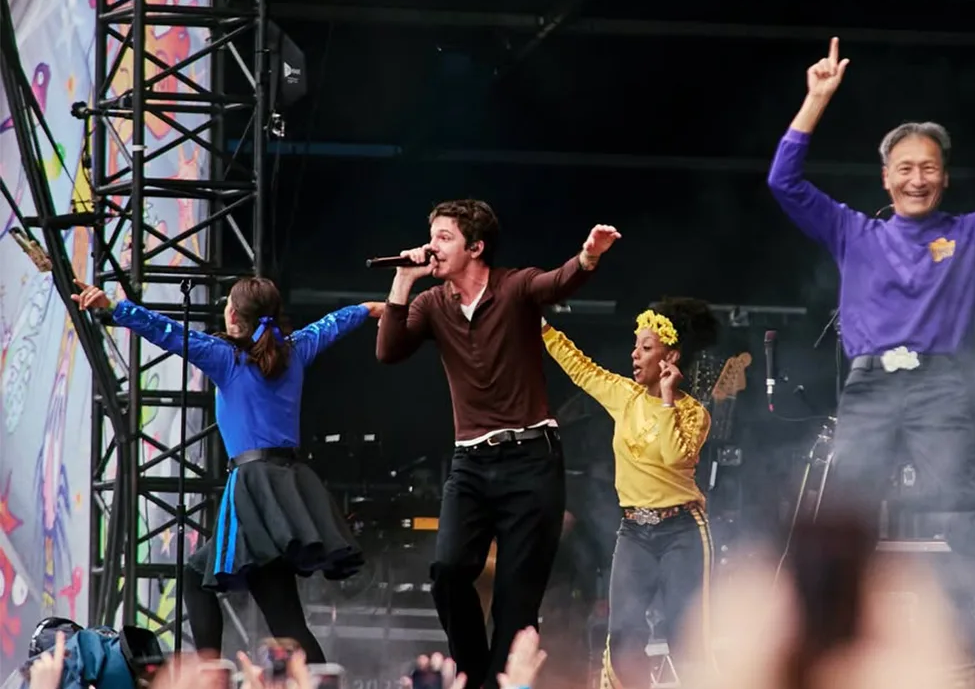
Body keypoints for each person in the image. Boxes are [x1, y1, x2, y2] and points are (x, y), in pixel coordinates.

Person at [765, 38, 975, 656]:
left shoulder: (973, 233)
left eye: (928, 167)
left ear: (944, 177)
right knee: (845, 518)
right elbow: (784, 181)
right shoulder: (853, 231)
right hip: (869, 387)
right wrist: (815, 99)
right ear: (886, 177)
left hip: (938, 387)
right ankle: (830, 641)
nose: (917, 178)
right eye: (904, 167)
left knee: (959, 510)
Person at [375, 199, 620, 689]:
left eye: (444, 237)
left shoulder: (514, 286)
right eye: (433, 236)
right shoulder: (432, 304)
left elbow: (559, 281)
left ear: (476, 247)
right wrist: (403, 281)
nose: (432, 246)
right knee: (448, 570)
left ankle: (497, 684)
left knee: (515, 598)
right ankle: (473, 674)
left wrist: (589, 256)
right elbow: (388, 351)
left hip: (532, 461)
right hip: (471, 463)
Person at [72, 277, 382, 662]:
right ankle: (217, 671)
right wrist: (369, 309)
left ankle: (212, 672)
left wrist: (115, 307)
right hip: (286, 487)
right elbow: (333, 324)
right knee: (250, 599)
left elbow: (167, 331)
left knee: (270, 611)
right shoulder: (295, 350)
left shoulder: (228, 358)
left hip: (254, 487)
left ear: (233, 315)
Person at [541, 298, 718, 689]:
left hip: (683, 533)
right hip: (635, 532)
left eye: (645, 348)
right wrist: (543, 329)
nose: (634, 355)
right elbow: (581, 368)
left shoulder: (694, 414)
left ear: (670, 356)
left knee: (686, 639)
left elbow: (673, 458)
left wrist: (668, 399)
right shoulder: (623, 396)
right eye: (635, 347)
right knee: (622, 635)